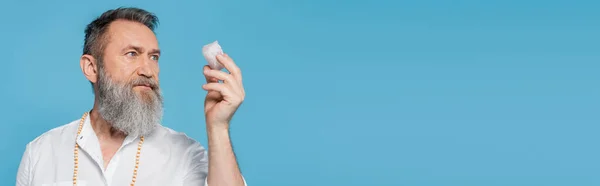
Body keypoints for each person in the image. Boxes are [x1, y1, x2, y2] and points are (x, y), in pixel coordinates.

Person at [16, 7, 247, 186]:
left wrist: (218, 127)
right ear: (91, 68)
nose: (148, 70)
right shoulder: (41, 152)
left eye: (154, 57)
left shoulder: (184, 153)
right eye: (132, 54)